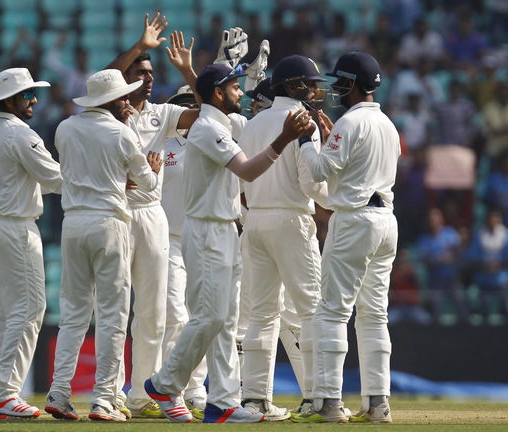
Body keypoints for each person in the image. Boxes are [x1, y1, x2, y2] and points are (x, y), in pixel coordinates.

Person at [145, 62, 313, 423]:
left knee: (226, 319)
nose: (241, 93)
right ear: (219, 94)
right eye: (235, 88)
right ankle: (164, 381)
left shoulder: (224, 122)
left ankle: (222, 401)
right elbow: (248, 171)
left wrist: (245, 78)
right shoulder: (206, 128)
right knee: (210, 316)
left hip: (226, 228)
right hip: (205, 231)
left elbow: (246, 117)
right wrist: (284, 139)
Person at [44, 69, 162, 422]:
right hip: (110, 224)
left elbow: (81, 168)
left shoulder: (65, 127)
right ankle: (104, 399)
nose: (128, 101)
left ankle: (59, 391)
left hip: (73, 224)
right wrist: (148, 166)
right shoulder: (122, 134)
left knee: (74, 313)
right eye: (123, 97)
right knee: (112, 315)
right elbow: (149, 185)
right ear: (110, 101)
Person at [105, 13, 200, 418]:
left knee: (154, 311)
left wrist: (189, 72)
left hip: (152, 215)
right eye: (139, 71)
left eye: (150, 72)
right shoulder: (108, 113)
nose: (147, 77)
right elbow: (103, 79)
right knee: (115, 306)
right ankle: (109, 394)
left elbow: (210, 112)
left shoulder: (162, 114)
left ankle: (146, 394)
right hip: (116, 213)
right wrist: (140, 48)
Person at [298, 51, 400, 423]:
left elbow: (323, 170)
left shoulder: (349, 121)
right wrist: (330, 138)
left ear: (352, 83)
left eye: (340, 81)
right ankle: (378, 404)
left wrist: (306, 141)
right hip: (386, 220)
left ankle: (327, 401)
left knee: (331, 312)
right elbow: (357, 164)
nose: (336, 87)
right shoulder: (387, 124)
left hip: (354, 220)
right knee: (374, 315)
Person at [239, 55, 330, 422]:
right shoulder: (304, 123)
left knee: (260, 315)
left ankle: (256, 399)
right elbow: (314, 185)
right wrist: (337, 199)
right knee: (310, 310)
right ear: (293, 86)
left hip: (256, 221)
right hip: (292, 219)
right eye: (310, 84)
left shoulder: (253, 123)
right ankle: (317, 397)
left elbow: (243, 180)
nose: (315, 90)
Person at [0, 68, 62, 419]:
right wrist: (102, 178)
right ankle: (4, 393)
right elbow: (55, 177)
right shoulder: (19, 134)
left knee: (0, 312)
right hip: (14, 227)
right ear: (9, 100)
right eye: (27, 95)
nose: (34, 100)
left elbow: (21, 180)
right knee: (29, 309)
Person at [160, 87, 208, 420]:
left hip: (202, 238)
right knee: (175, 316)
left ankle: (197, 389)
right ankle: (172, 389)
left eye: (195, 105)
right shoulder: (161, 144)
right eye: (183, 106)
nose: (190, 111)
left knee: (201, 316)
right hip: (167, 239)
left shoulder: (210, 144)